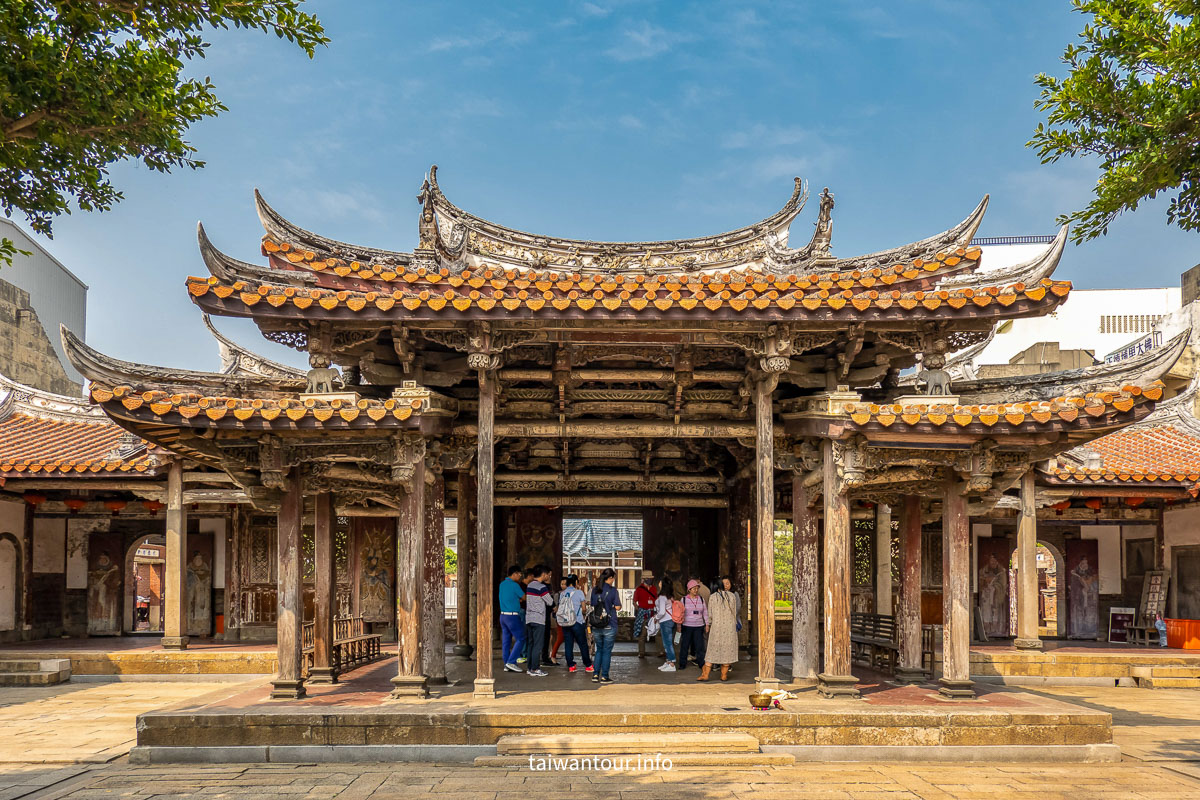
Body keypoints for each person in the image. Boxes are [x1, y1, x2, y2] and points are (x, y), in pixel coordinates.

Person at [703, 575, 740, 681]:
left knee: (712, 650)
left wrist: (708, 624)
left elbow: (710, 615)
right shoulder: (732, 596)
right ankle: (724, 675)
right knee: (727, 651)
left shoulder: (713, 597)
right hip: (729, 628)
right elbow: (735, 611)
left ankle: (706, 675)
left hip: (717, 627)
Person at [590, 567, 621, 684]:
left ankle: (595, 674)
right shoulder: (613, 591)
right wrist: (611, 607)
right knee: (607, 651)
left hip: (596, 624)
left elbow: (593, 604)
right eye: (613, 578)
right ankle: (604, 676)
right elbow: (618, 606)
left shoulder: (595, 590)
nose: (613, 580)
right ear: (611, 578)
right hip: (609, 624)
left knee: (599, 650)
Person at [557, 574, 593, 673]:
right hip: (577, 622)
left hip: (566, 622)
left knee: (568, 644)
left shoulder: (562, 593)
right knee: (582, 644)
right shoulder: (579, 592)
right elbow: (584, 608)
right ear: (576, 582)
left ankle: (571, 666)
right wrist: (584, 613)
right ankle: (588, 665)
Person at [524, 565, 554, 677]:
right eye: (547, 574)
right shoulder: (542, 587)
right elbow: (550, 601)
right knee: (538, 644)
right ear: (543, 574)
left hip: (529, 618)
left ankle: (530, 668)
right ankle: (536, 668)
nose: (548, 576)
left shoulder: (530, 585)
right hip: (539, 619)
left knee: (531, 644)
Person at [498, 565, 527, 673]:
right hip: (512, 616)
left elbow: (507, 597)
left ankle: (506, 663)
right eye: (519, 574)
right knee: (521, 638)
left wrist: (516, 600)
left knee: (506, 641)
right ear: (514, 573)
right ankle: (512, 661)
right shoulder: (515, 585)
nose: (520, 576)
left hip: (503, 616)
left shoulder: (502, 584)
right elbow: (524, 597)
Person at [677, 579, 708, 671]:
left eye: (697, 588)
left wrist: (707, 624)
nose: (695, 590)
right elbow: (680, 613)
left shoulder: (701, 599)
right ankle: (682, 664)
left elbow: (705, 612)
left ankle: (701, 663)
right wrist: (679, 625)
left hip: (699, 626)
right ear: (689, 589)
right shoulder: (684, 600)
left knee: (700, 646)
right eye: (693, 588)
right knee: (685, 646)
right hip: (687, 626)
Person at [633, 569, 662, 659]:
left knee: (657, 633)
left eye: (650, 578)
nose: (650, 579)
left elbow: (656, 600)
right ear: (644, 579)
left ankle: (660, 651)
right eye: (648, 578)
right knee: (643, 634)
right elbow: (634, 601)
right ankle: (641, 652)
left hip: (653, 613)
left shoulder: (653, 589)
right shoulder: (639, 589)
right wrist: (639, 610)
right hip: (643, 612)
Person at [654, 576, 677, 672]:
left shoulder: (662, 597)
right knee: (667, 642)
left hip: (665, 621)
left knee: (667, 643)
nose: (659, 583)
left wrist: (656, 617)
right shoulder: (670, 597)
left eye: (660, 582)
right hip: (671, 620)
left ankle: (672, 663)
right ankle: (668, 662)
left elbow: (662, 612)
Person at [550, 577, 568, 662]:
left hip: (568, 618)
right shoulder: (558, 594)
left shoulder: (570, 593)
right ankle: (553, 654)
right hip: (559, 618)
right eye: (562, 584)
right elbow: (556, 607)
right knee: (559, 637)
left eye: (565, 584)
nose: (563, 586)